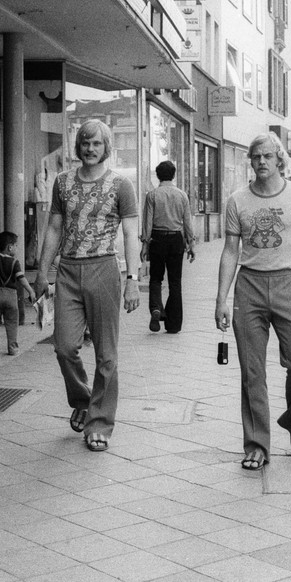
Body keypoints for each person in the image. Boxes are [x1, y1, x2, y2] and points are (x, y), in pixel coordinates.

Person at [215, 132, 291, 471]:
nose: (261, 162)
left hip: (287, 285)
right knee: (252, 372)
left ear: (280, 160)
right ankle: (256, 444)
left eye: (267, 156)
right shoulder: (237, 200)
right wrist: (221, 299)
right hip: (248, 287)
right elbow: (230, 251)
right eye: (255, 157)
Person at [34, 119, 141, 453]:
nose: (90, 149)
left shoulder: (121, 185)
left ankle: (100, 423)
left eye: (96, 143)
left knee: (107, 354)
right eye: (85, 143)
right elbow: (54, 227)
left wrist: (132, 280)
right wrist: (42, 270)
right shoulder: (63, 182)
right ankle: (83, 400)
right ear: (77, 146)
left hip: (104, 270)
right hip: (68, 271)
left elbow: (130, 234)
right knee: (64, 347)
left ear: (106, 146)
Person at [140, 161, 196, 333]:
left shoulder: (152, 195)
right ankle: (173, 324)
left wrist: (144, 245)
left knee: (156, 278)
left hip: (157, 239)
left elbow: (147, 223)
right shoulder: (182, 195)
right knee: (175, 282)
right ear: (173, 175)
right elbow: (187, 222)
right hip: (176, 240)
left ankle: (156, 308)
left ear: (158, 175)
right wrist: (191, 243)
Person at [0, 232, 36, 356]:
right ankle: (13, 348)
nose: (17, 248)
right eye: (16, 245)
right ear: (10, 247)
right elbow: (21, 278)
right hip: (11, 296)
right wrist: (31, 291)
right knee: (11, 323)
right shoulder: (14, 262)